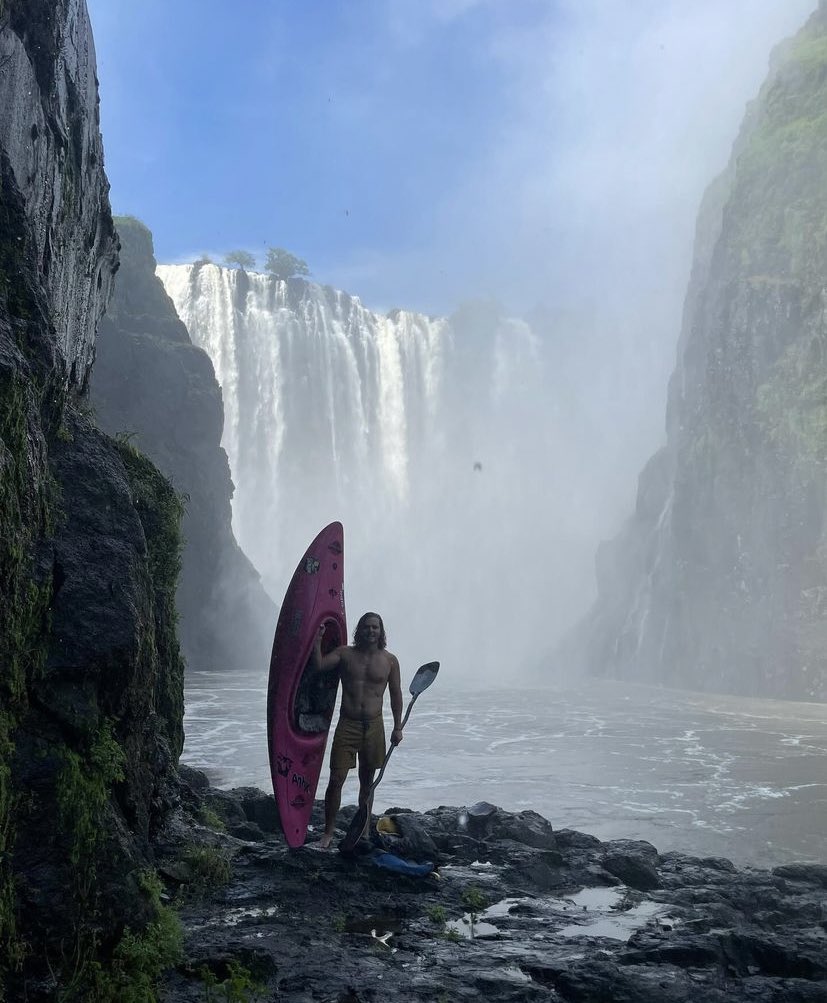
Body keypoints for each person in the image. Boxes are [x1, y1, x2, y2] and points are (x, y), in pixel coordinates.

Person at [309, 611, 403, 849]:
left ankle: (363, 832)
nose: (371, 631)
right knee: (336, 779)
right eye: (367, 627)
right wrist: (317, 640)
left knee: (367, 782)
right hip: (347, 725)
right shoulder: (344, 654)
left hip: (374, 726)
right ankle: (328, 832)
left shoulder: (390, 660)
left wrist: (398, 726)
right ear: (359, 630)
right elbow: (319, 665)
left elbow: (396, 695)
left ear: (381, 632)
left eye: (375, 627)